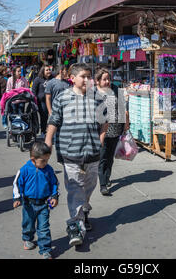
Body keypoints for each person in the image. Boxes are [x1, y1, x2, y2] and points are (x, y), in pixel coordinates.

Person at [45, 63, 108, 247]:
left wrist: (101, 140)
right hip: (70, 153)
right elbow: (53, 120)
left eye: (89, 76)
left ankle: (83, 212)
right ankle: (76, 226)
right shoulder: (62, 98)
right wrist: (48, 142)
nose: (87, 80)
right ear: (72, 78)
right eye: (83, 76)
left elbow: (104, 122)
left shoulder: (98, 98)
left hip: (92, 154)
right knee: (75, 191)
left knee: (87, 189)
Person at [12, 141, 59, 259]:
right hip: (28, 204)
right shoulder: (24, 170)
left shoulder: (48, 170)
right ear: (33, 159)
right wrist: (17, 198)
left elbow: (54, 183)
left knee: (43, 228)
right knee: (28, 224)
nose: (46, 163)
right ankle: (28, 239)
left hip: (43, 204)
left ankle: (45, 250)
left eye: (47, 160)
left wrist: (54, 196)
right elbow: (17, 184)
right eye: (43, 161)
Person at [95, 67, 129, 196]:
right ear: (98, 81)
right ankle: (103, 184)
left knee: (110, 157)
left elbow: (122, 108)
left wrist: (125, 124)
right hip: (101, 130)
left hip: (115, 129)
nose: (107, 81)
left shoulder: (115, 89)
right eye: (104, 79)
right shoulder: (94, 93)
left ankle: (107, 177)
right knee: (102, 156)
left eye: (108, 79)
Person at [32, 65, 53, 135]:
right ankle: (43, 131)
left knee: (53, 116)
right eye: (47, 70)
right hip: (42, 101)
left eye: (49, 69)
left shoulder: (53, 79)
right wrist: (34, 101)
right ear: (43, 71)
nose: (49, 71)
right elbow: (34, 91)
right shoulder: (38, 79)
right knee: (44, 116)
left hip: (52, 100)